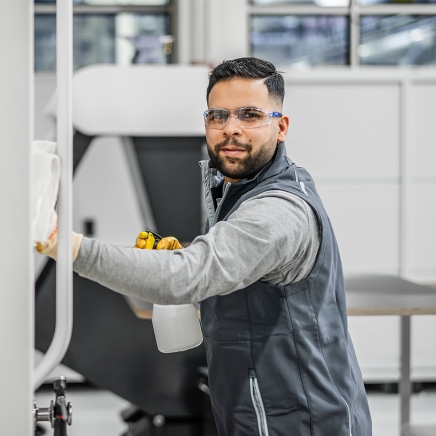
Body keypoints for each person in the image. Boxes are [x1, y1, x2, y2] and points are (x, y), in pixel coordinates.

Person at [39, 57, 372, 435]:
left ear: (281, 127)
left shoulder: (277, 212)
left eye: (250, 115)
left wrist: (63, 244)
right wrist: (187, 251)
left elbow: (187, 277)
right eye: (219, 115)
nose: (232, 129)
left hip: (299, 419)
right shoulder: (237, 188)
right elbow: (217, 259)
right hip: (258, 406)